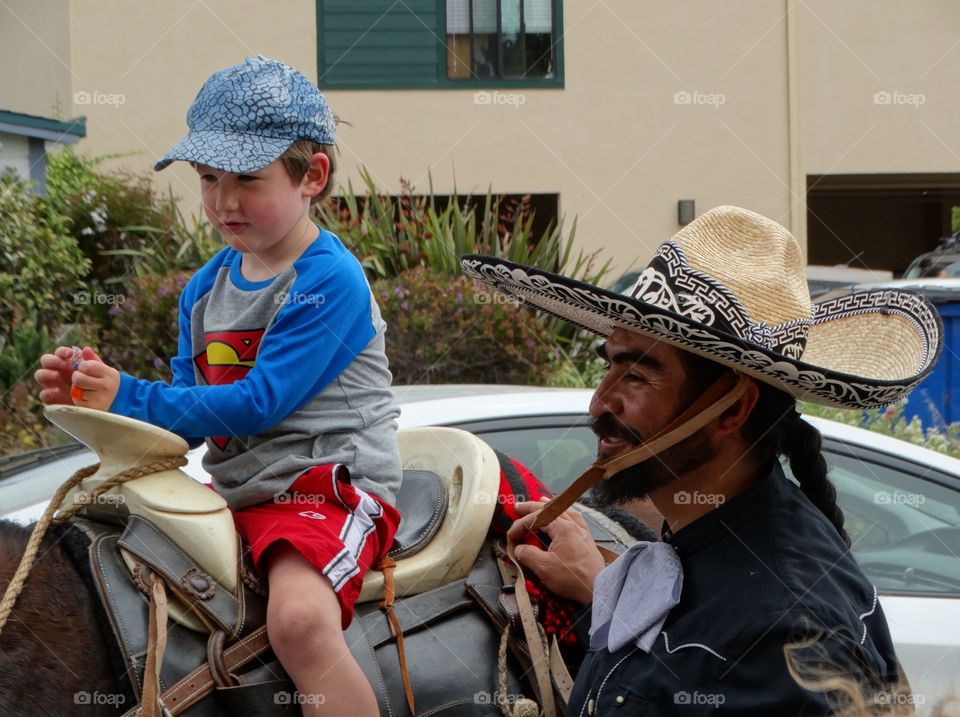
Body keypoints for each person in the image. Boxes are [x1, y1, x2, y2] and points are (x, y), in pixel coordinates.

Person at [461, 205, 942, 715]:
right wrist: (600, 591)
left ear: (732, 409)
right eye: (610, 368)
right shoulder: (713, 542)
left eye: (638, 376)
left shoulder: (781, 633)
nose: (600, 403)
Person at [35, 56, 401, 717]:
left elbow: (259, 403)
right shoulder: (205, 289)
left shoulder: (327, 281)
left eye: (247, 179)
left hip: (325, 491)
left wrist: (128, 394)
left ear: (312, 175)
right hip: (239, 494)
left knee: (298, 624)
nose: (223, 201)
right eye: (208, 178)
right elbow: (191, 419)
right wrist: (91, 398)